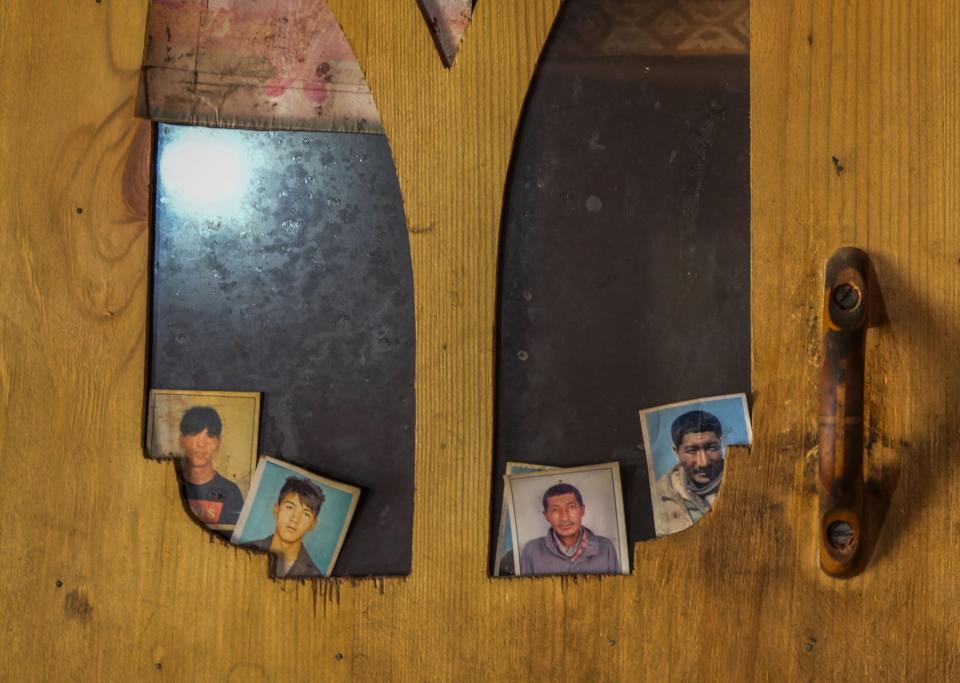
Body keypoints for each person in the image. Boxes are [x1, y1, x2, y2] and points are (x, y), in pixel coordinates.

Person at [519, 483, 621, 575]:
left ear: (582, 510)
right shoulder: (532, 550)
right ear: (546, 516)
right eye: (555, 509)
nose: (564, 517)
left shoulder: (606, 547)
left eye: (572, 507)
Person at [653, 409, 725, 536]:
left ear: (721, 443)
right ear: (676, 452)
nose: (704, 462)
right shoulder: (659, 497)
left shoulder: (746, 479)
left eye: (712, 448)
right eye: (692, 451)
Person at [177, 406, 244, 530]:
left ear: (218, 442)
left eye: (210, 435)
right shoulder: (169, 485)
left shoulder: (231, 493)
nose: (201, 443)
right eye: (194, 433)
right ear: (182, 440)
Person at [244, 476, 325, 578]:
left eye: (306, 513)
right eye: (290, 507)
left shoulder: (315, 578)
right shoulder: (244, 551)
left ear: (313, 524)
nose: (295, 519)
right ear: (276, 509)